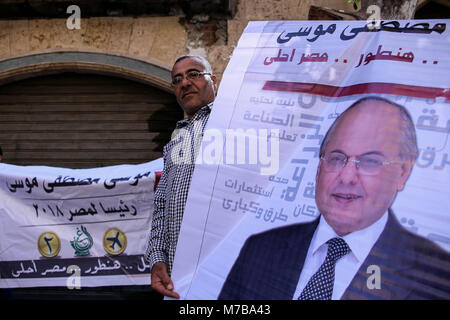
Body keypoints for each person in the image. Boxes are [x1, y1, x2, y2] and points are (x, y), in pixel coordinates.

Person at [219, 96, 450, 300]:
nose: (347, 176)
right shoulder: (261, 248)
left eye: (369, 161)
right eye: (337, 158)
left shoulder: (435, 276)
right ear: (320, 166)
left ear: (402, 172)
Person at [144, 55, 218, 298]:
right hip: (179, 281)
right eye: (177, 80)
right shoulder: (176, 140)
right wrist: (157, 258)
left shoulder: (233, 124)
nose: (185, 83)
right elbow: (162, 204)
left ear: (213, 81)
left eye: (194, 74)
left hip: (222, 274)